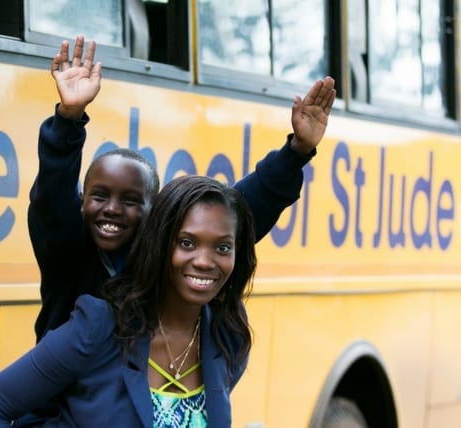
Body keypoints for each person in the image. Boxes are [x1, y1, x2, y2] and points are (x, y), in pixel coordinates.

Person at [28, 35, 336, 343]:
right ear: (82, 202)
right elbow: (51, 197)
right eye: (100, 196)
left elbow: (241, 211)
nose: (112, 208)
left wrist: (297, 150)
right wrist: (68, 118)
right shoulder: (66, 251)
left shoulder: (166, 258)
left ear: (156, 212)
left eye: (131, 200)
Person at [0, 175, 257, 427]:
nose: (205, 262)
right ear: (159, 244)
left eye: (222, 247)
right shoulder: (99, 327)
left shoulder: (229, 335)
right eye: (187, 243)